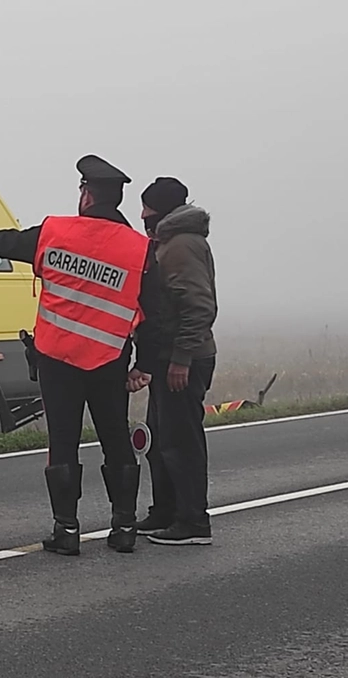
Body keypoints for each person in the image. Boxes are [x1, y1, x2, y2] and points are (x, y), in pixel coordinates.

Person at [0, 155, 159, 556]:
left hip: (57, 360)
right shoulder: (141, 250)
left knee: (63, 443)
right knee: (117, 440)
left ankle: (66, 530)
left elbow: (3, 242)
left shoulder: (55, 233)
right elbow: (157, 314)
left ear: (87, 195)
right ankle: (124, 527)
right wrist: (145, 365)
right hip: (110, 361)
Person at [134, 178, 218, 545]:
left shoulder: (181, 246)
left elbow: (198, 307)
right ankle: (165, 510)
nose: (142, 216)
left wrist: (181, 358)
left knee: (180, 440)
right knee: (161, 436)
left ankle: (192, 520)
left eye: (147, 210)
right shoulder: (170, 243)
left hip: (184, 358)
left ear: (164, 211)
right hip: (169, 356)